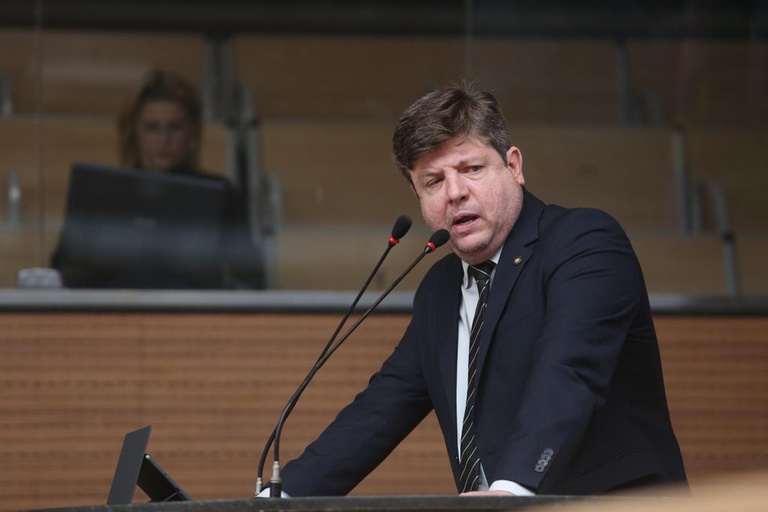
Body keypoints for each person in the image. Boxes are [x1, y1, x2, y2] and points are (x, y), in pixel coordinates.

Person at [270, 82, 688, 496]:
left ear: (514, 166)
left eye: (471, 169)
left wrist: (512, 490)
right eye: (434, 181)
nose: (455, 193)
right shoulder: (439, 289)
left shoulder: (582, 241)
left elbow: (569, 372)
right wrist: (278, 500)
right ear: (417, 196)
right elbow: (379, 411)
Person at [52, 70, 264, 289]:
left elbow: (249, 280)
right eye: (152, 127)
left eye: (175, 127)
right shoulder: (104, 194)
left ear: (191, 131)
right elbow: (66, 271)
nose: (164, 140)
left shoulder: (220, 195)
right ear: (134, 132)